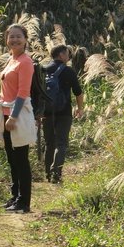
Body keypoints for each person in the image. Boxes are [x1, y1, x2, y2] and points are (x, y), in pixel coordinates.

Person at [0, 24, 37, 213]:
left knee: (21, 159)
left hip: (16, 115)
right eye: (11, 37)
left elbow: (23, 93)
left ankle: (24, 202)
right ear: (6, 40)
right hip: (5, 114)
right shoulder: (11, 60)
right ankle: (15, 196)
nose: (15, 40)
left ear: (25, 40)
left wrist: (13, 117)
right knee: (12, 160)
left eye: (19, 37)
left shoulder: (25, 62)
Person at [42, 44, 85, 184]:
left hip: (46, 113)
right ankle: (56, 173)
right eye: (67, 53)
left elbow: (36, 93)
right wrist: (80, 108)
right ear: (61, 55)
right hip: (64, 112)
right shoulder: (68, 71)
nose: (69, 56)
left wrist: (37, 113)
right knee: (61, 143)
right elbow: (78, 92)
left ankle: (48, 174)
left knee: (49, 143)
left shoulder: (43, 70)